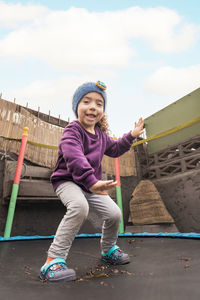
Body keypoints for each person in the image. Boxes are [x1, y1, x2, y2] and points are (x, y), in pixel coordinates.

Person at [40, 81, 144, 282]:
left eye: (99, 104)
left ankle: (108, 250)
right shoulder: (73, 130)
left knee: (114, 214)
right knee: (79, 207)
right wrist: (92, 182)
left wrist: (131, 135)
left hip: (90, 185)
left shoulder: (101, 136)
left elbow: (114, 149)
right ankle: (52, 261)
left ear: (102, 111)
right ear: (77, 107)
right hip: (67, 181)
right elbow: (74, 155)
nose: (93, 107)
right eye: (86, 101)